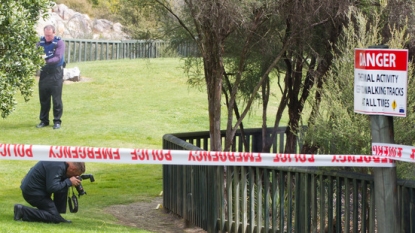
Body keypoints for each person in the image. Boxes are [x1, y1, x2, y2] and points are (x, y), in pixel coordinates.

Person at [14, 161, 85, 223]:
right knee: (53, 217)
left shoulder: (61, 162)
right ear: (73, 169)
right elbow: (52, 188)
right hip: (33, 193)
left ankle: (57, 215)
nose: (75, 177)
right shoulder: (58, 166)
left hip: (34, 189)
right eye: (75, 175)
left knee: (63, 184)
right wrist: (69, 181)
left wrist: (68, 181)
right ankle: (22, 211)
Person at [36, 25, 66, 130]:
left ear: (54, 33)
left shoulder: (59, 43)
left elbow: (57, 57)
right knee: (44, 98)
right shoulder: (40, 42)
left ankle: (57, 121)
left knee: (56, 99)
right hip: (44, 73)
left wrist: (45, 61)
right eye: (46, 35)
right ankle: (44, 121)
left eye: (49, 35)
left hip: (56, 72)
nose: (47, 37)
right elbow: (34, 53)